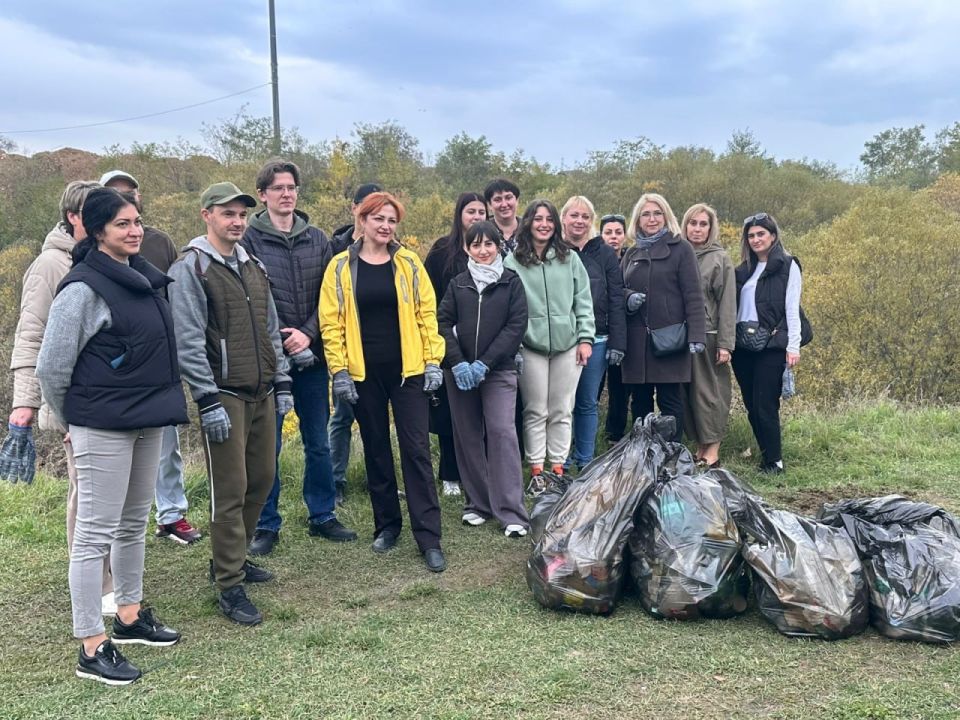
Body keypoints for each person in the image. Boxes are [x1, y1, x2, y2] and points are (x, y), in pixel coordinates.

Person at [36, 187, 187, 685]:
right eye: (123, 224)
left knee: (132, 523)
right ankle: (91, 646)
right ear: (98, 231)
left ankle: (128, 616)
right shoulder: (82, 287)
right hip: (101, 423)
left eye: (137, 221)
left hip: (147, 418)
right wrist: (69, 420)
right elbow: (52, 366)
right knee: (93, 535)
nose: (135, 230)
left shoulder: (141, 277)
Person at [168, 182, 294, 626]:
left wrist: (282, 383)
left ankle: (231, 558)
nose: (237, 221)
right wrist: (206, 399)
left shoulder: (253, 264)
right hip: (223, 394)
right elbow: (187, 340)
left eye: (242, 214)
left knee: (261, 480)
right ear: (207, 215)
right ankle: (229, 585)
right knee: (230, 489)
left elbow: (271, 327)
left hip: (261, 390)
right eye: (227, 214)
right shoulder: (192, 268)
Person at [6, 180, 121, 611]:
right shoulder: (49, 266)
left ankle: (107, 577)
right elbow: (31, 334)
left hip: (105, 398)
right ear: (75, 217)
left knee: (106, 495)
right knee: (86, 494)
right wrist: (26, 403)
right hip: (71, 400)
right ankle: (95, 585)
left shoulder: (98, 258)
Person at [319, 192, 448, 572]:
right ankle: (387, 525)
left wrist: (432, 361)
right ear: (362, 219)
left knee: (416, 451)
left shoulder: (408, 264)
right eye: (378, 218)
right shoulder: (340, 268)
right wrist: (339, 371)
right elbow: (331, 322)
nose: (386, 226)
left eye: (392, 220)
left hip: (408, 372)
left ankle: (429, 537)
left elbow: (428, 314)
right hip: (364, 375)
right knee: (376, 449)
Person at [242, 160, 357, 556]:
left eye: (291, 187)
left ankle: (322, 515)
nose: (286, 194)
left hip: (312, 354)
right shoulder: (249, 240)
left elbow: (332, 295)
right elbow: (250, 298)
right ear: (263, 194)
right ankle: (266, 523)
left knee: (318, 441)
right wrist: (280, 338)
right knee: (267, 445)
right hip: (269, 360)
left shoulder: (318, 239)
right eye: (278, 188)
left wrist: (308, 333)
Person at [99, 170, 202, 545]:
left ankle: (171, 515)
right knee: (114, 454)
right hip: (115, 366)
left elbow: (178, 295)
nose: (125, 197)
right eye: (114, 194)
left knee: (166, 444)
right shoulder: (90, 253)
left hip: (161, 358)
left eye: (130, 193)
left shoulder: (159, 242)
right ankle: (117, 528)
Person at [437, 220, 530, 536]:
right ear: (467, 248)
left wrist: (484, 364)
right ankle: (478, 504)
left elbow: (515, 327)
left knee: (502, 433)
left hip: (498, 372)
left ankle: (512, 511)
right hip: (459, 374)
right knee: (467, 436)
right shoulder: (457, 284)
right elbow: (443, 322)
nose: (482, 250)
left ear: (498, 246)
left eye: (488, 244)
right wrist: (459, 363)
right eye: (475, 244)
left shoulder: (511, 282)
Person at [504, 200, 595, 493]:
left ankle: (557, 467)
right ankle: (537, 470)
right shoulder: (513, 261)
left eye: (549, 219)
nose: (544, 224)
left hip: (568, 346)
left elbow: (583, 301)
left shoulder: (570, 258)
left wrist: (585, 339)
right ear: (528, 222)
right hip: (530, 347)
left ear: (556, 224)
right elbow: (507, 306)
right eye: (538, 219)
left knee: (561, 408)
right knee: (535, 409)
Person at [620, 193, 706, 442]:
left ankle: (672, 456)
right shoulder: (631, 253)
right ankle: (642, 457)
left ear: (666, 216)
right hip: (637, 341)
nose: (652, 219)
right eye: (646, 214)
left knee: (671, 401)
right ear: (638, 219)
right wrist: (628, 297)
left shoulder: (681, 249)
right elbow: (618, 288)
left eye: (657, 213)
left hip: (670, 339)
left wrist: (696, 335)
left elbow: (693, 295)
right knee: (640, 403)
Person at [732, 212, 807, 474]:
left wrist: (793, 346)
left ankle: (775, 461)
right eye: (751, 235)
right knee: (752, 405)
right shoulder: (742, 271)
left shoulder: (788, 265)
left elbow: (792, 307)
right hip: (742, 347)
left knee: (766, 404)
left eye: (761, 234)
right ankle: (765, 456)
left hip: (771, 345)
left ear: (773, 236)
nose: (755, 239)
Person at [423, 191, 487, 496]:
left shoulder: (492, 251)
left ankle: (479, 470)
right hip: (448, 343)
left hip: (485, 346)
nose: (476, 217)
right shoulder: (440, 252)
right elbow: (428, 297)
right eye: (470, 211)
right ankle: (449, 472)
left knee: (481, 413)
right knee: (450, 413)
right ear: (459, 215)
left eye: (481, 212)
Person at [560, 196, 626, 469]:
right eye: (574, 215)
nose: (579, 221)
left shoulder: (605, 253)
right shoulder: (554, 250)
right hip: (561, 341)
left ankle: (584, 460)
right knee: (563, 404)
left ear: (592, 221)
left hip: (598, 339)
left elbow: (616, 298)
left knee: (587, 402)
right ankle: (559, 460)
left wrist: (618, 342)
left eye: (585, 216)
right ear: (563, 218)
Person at [328, 182, 382, 504]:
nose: (374, 219)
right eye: (367, 210)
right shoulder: (334, 249)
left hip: (383, 349)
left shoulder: (393, 247)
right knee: (342, 416)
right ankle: (336, 481)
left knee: (376, 418)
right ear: (355, 210)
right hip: (347, 350)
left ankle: (379, 476)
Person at [681, 203, 736, 468]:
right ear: (685, 225)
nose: (698, 229)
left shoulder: (720, 258)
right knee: (690, 394)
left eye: (703, 224)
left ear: (711, 228)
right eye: (693, 223)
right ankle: (700, 447)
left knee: (711, 394)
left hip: (710, 333)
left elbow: (727, 302)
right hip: (682, 334)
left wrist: (726, 343)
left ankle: (713, 449)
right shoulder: (679, 252)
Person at [596, 213, 643, 441]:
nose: (613, 237)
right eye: (608, 232)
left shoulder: (632, 259)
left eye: (618, 232)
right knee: (593, 388)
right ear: (600, 234)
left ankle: (616, 433)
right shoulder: (594, 259)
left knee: (620, 385)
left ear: (625, 235)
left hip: (625, 330)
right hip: (597, 329)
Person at [483, 178, 521, 253]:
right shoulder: (482, 232)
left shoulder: (530, 229)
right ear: (489, 205)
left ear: (517, 200)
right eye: (497, 199)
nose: (504, 204)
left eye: (508, 198)